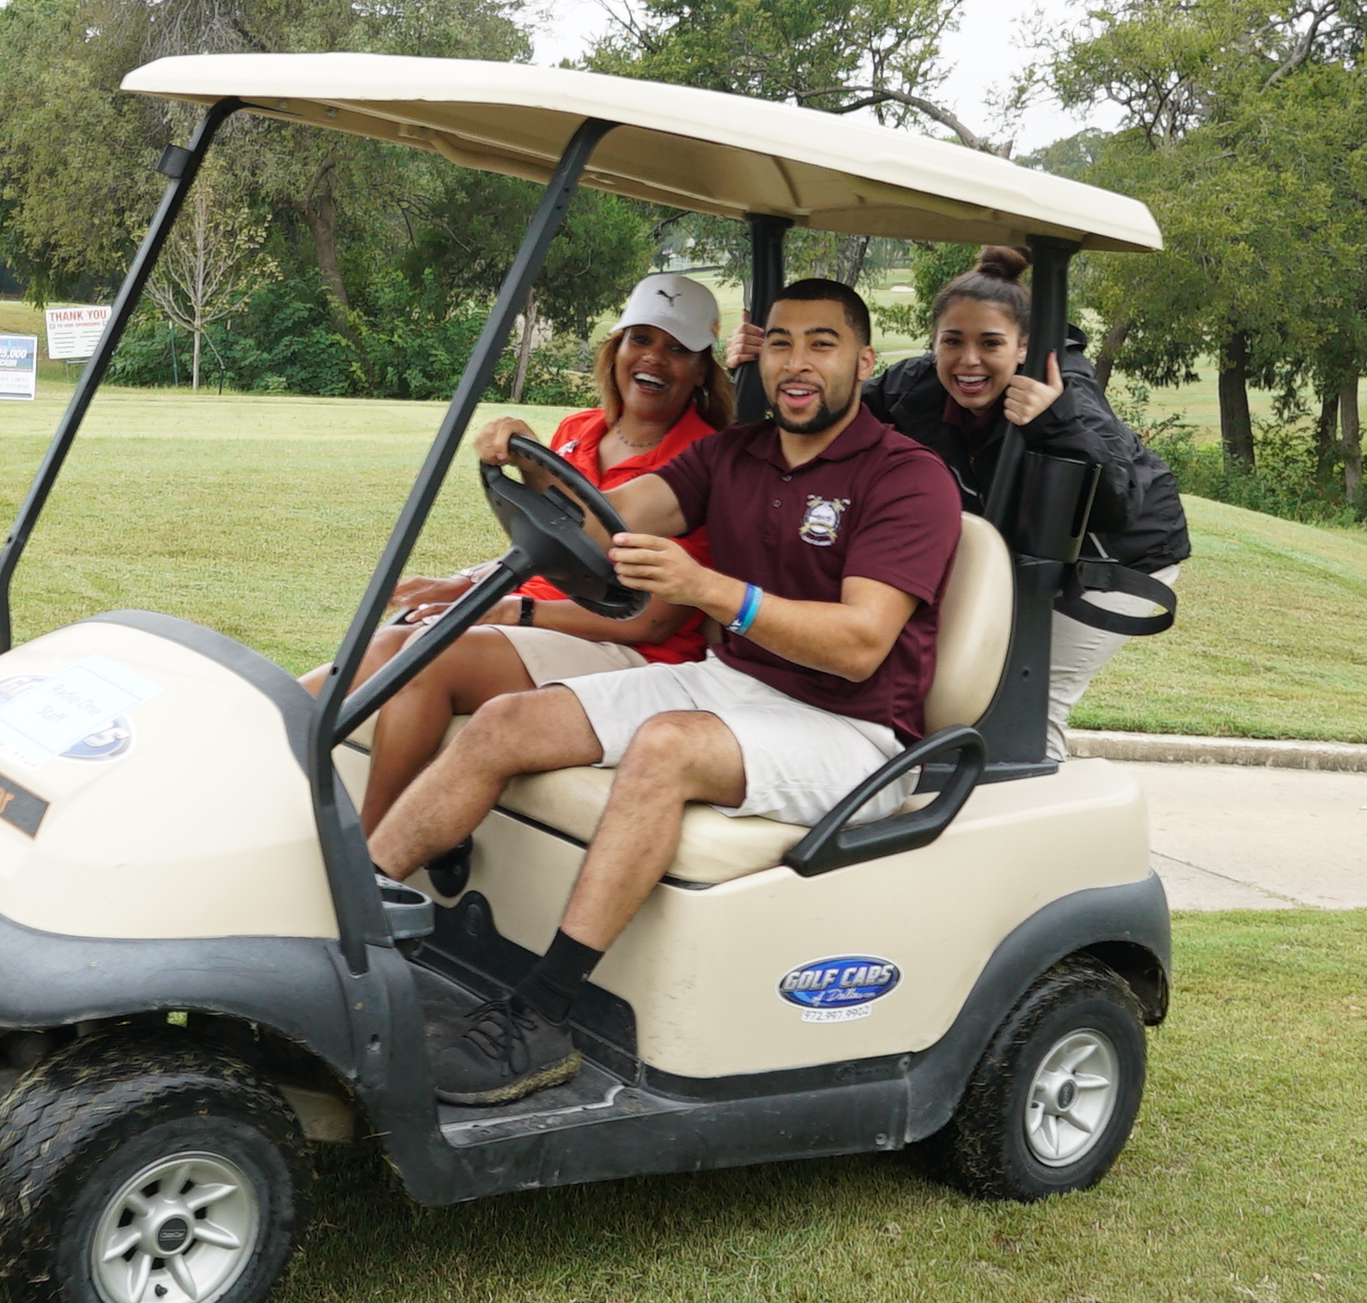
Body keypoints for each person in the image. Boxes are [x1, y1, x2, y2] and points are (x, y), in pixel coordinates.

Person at [367, 280, 962, 1105]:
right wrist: (528, 458)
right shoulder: (733, 454)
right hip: (735, 683)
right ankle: (354, 931)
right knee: (507, 721)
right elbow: (606, 515)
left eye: (822, 344)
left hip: (854, 732)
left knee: (666, 747)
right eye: (782, 342)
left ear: (863, 362)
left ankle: (543, 1015)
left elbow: (861, 646)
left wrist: (714, 591)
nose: (798, 363)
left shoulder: (906, 477)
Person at [309, 274, 734, 835]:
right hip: (536, 627)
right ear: (617, 348)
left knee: (427, 655)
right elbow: (546, 546)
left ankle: (369, 860)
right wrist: (463, 585)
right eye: (641, 339)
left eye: (678, 349)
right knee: (386, 639)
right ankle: (251, 745)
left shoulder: (705, 461)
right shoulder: (576, 431)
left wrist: (509, 611)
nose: (654, 358)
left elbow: (654, 620)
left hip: (629, 653)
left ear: (702, 368)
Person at [856, 246, 1191, 759]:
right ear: (934, 344)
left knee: (1031, 697)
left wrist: (1053, 425)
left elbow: (1118, 504)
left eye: (990, 343)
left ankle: (1039, 806)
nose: (968, 360)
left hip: (1118, 559)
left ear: (1022, 348)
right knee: (950, 683)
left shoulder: (1065, 393)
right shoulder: (913, 387)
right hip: (1028, 553)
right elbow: (832, 416)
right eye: (953, 342)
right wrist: (763, 364)